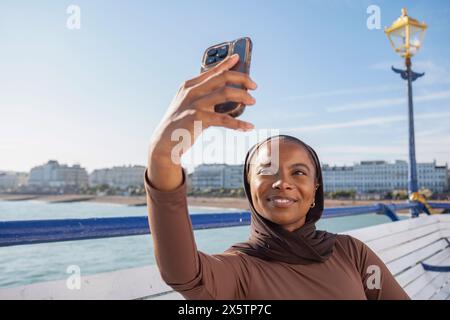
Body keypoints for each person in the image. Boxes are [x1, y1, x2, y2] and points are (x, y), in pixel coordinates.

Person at [145, 54, 410, 300]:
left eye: (298, 172)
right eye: (266, 171)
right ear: (250, 186)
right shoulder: (240, 269)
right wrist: (162, 157)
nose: (282, 182)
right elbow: (185, 275)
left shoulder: (351, 253)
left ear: (315, 187)